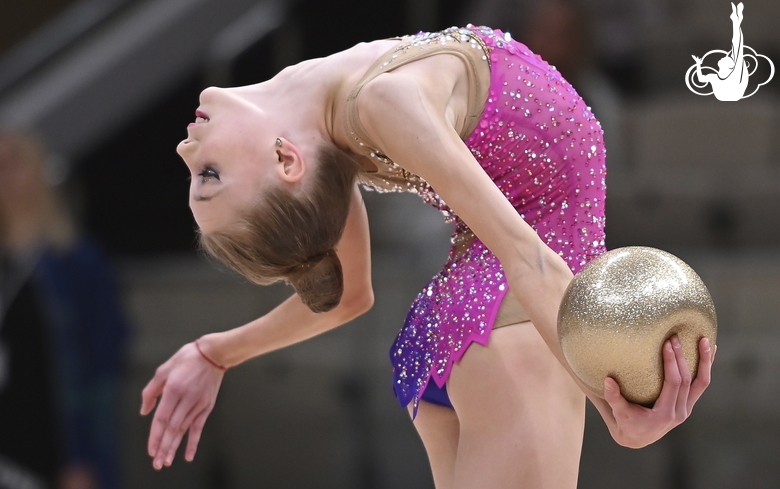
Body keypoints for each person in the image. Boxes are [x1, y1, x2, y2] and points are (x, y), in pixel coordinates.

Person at [141, 25, 715, 488]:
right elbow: (529, 258)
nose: (182, 147)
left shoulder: (328, 125)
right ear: (286, 162)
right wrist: (613, 410)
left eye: (199, 176)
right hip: (510, 316)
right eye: (207, 174)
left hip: (469, 321)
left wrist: (215, 351)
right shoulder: (377, 106)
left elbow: (350, 296)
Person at [0, 131, 128, 489]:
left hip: (51, 442)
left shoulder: (78, 263)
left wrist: (85, 459)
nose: (2, 175)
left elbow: (102, 370)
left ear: (38, 171)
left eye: (11, 162)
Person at [692, 2, 748, 101]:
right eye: (728, 57)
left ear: (729, 66)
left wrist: (736, 23)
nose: (725, 56)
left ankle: (736, 21)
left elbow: (737, 46)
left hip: (733, 93)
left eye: (728, 58)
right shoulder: (714, 77)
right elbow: (700, 79)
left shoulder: (734, 75)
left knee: (737, 47)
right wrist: (698, 64)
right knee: (736, 48)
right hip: (727, 95)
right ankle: (736, 20)